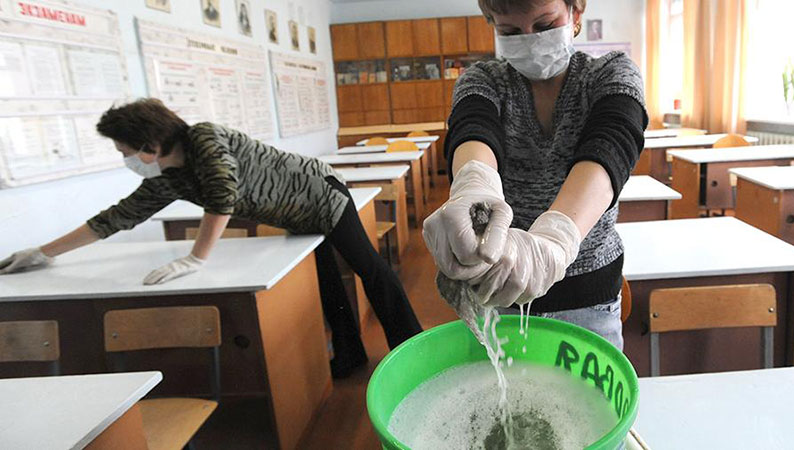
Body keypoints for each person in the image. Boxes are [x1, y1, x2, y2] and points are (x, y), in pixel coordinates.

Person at [0, 98, 422, 377]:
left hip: (321, 194)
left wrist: (196, 258)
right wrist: (43, 252)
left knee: (370, 269)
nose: (126, 159)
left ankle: (412, 351)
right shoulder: (169, 177)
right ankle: (350, 354)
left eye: (126, 151)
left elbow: (223, 195)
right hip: (293, 212)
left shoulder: (204, 137)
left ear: (150, 143)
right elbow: (117, 217)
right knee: (325, 279)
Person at [423, 0, 647, 350]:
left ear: (575, 12)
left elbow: (612, 146)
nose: (529, 39)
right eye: (510, 31)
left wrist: (556, 237)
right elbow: (474, 129)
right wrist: (474, 183)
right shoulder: (484, 80)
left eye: (544, 25)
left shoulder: (610, 73)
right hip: (500, 292)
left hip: (589, 300)